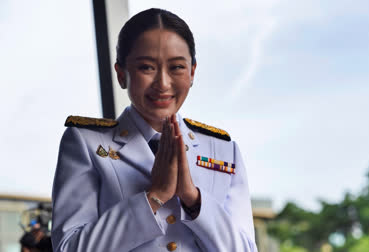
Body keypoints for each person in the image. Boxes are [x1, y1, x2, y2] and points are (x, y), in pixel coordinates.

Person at [51, 8, 257, 252]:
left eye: (177, 67)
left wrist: (193, 199)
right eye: (147, 67)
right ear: (121, 74)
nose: (163, 83)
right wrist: (154, 197)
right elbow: (68, 248)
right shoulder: (86, 143)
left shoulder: (223, 150)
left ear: (192, 72)